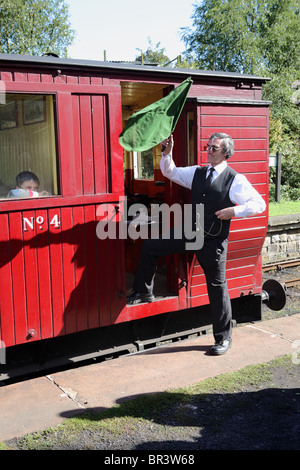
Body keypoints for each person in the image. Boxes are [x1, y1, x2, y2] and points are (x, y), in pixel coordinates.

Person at [127, 132, 266, 355]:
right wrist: (167, 153)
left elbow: (259, 204)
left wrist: (234, 211)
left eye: (214, 148)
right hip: (191, 233)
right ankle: (144, 292)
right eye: (208, 147)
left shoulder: (235, 180)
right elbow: (170, 172)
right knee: (151, 246)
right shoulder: (197, 172)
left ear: (226, 152)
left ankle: (223, 339)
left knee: (217, 288)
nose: (209, 151)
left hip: (213, 242)